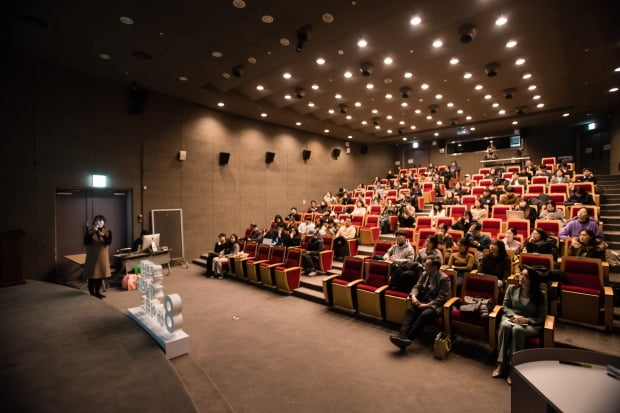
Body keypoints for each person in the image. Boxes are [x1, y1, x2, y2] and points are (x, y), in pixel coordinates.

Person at [493, 266, 547, 384]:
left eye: (526, 276)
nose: (521, 277)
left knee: (517, 330)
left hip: (530, 323)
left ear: (532, 280)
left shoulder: (540, 295)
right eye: (521, 274)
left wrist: (526, 320)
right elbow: (505, 307)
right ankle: (501, 364)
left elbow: (541, 318)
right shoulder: (512, 289)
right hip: (511, 318)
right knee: (506, 327)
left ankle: (513, 368)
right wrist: (514, 315)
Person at [389, 258, 452, 350]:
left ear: (435, 267)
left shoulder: (444, 278)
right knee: (410, 310)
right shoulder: (424, 274)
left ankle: (407, 339)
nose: (424, 267)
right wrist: (414, 296)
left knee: (424, 314)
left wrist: (427, 305)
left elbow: (442, 298)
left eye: (427, 265)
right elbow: (417, 286)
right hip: (424, 301)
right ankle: (402, 335)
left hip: (437, 305)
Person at [83, 215, 112, 299]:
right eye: (97, 221)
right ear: (94, 222)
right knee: (92, 276)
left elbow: (108, 242)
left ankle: (97, 292)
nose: (98, 222)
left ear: (104, 222)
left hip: (102, 257)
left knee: (100, 275)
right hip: (92, 257)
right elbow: (86, 242)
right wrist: (90, 232)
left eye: (101, 221)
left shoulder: (108, 232)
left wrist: (100, 233)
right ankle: (92, 294)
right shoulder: (91, 232)